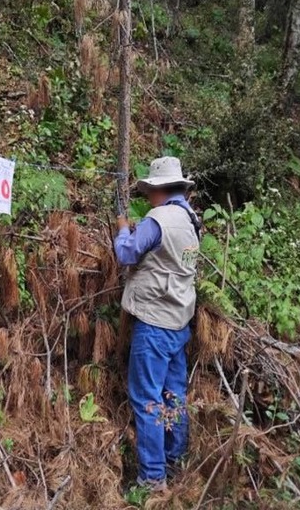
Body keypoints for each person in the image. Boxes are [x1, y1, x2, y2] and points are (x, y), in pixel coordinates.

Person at [114, 156, 200, 492]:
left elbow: (126, 254)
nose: (148, 197)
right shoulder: (190, 219)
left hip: (154, 323)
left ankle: (152, 478)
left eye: (150, 190)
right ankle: (176, 460)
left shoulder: (158, 218)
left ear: (161, 190)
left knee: (147, 398)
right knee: (174, 394)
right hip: (180, 321)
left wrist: (123, 229)